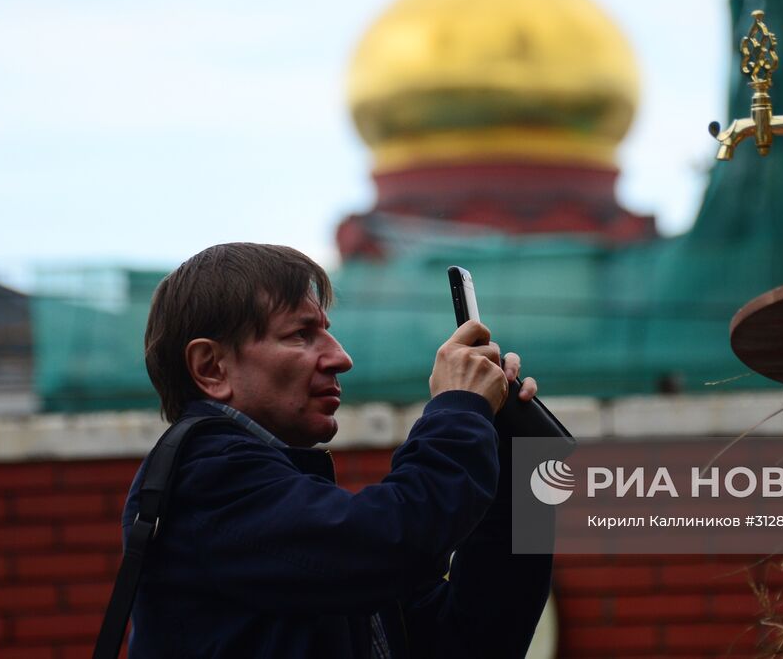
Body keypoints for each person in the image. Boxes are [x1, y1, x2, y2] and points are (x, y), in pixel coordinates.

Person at [122, 242, 553, 658]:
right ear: (211, 368)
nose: (340, 357)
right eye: (301, 335)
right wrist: (460, 407)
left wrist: (512, 460)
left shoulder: (294, 510)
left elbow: (471, 641)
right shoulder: (207, 481)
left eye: (327, 331)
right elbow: (399, 539)